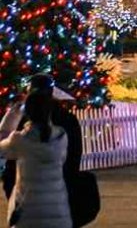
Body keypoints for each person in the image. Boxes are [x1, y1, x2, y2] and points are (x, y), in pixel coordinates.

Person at [2, 73, 82, 202]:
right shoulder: (63, 131)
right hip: (59, 200)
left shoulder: (20, 137)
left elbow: (3, 147)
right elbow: (74, 155)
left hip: (26, 203)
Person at [0, 90, 72, 228]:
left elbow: (2, 147)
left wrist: (12, 116)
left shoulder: (20, 140)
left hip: (28, 213)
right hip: (58, 212)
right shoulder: (61, 137)